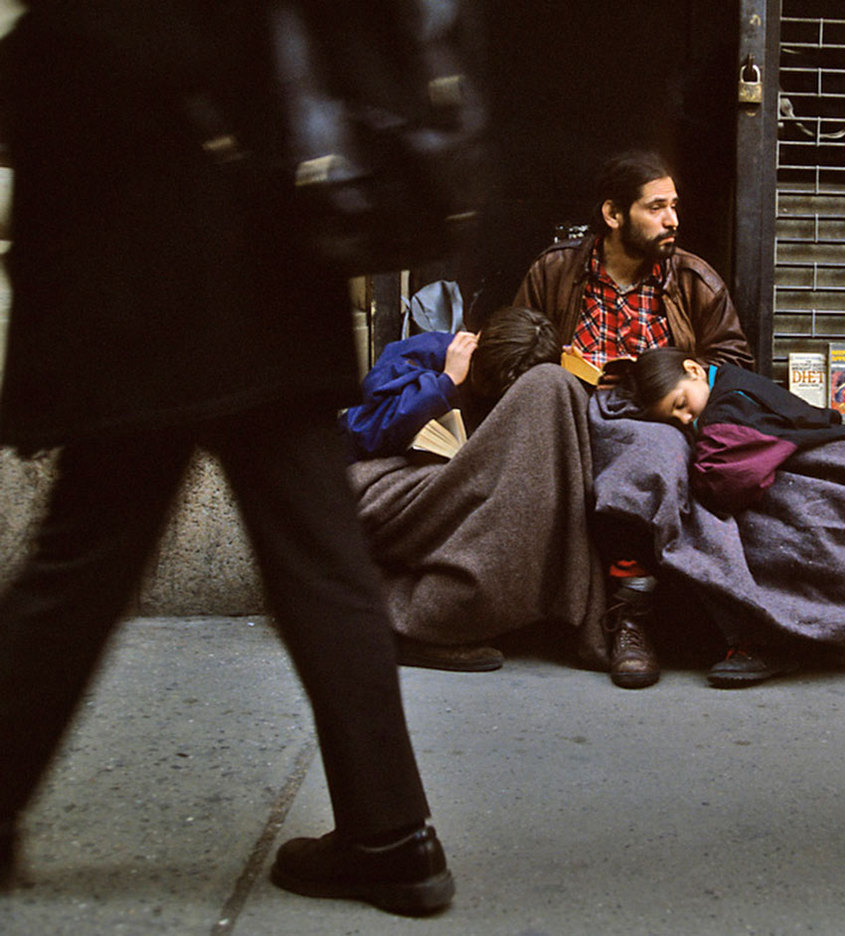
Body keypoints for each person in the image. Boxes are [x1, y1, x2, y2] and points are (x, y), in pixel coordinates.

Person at [0, 4, 454, 916]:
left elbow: (54, 78)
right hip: (275, 286)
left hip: (150, 304)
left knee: (77, 566)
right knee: (323, 568)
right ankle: (392, 833)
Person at [515, 149, 755, 689]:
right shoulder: (554, 271)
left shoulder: (694, 280)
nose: (673, 220)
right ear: (613, 215)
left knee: (655, 456)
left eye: (674, 207)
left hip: (655, 426)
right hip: (571, 422)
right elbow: (512, 353)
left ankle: (633, 620)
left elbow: (735, 363)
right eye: (656, 208)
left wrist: (670, 379)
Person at [608, 347, 845, 687]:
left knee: (710, 518)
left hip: (837, 486)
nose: (683, 420)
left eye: (681, 405)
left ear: (694, 370)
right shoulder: (733, 386)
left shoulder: (730, 407)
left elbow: (722, 482)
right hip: (844, 464)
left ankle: (772, 638)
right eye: (673, 419)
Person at [340, 306, 608, 672]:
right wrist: (446, 380)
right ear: (477, 341)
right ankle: (430, 617)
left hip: (473, 488)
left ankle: (465, 604)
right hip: (397, 481)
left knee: (552, 397)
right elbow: (363, 432)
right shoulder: (430, 351)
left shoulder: (534, 382)